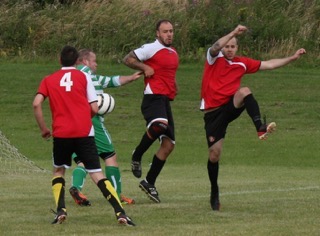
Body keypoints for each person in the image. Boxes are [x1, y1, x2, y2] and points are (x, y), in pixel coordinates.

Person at [200, 24, 306, 211]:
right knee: (214, 155)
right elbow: (215, 46)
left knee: (245, 91)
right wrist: (232, 32)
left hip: (230, 107)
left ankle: (260, 127)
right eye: (228, 46)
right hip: (212, 114)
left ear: (237, 48)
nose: (229, 49)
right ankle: (214, 191)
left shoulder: (242, 63)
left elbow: (270, 64)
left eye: (233, 46)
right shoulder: (213, 58)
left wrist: (292, 57)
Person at [33, 45, 135, 226]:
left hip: (61, 133)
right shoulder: (84, 77)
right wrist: (83, 120)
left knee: (59, 171)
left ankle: (61, 211)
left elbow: (36, 104)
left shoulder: (49, 80)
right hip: (84, 132)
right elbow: (95, 108)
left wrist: (43, 129)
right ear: (76, 61)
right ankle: (120, 213)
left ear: (59, 60)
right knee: (96, 173)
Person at [69, 49, 142, 206]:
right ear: (85, 61)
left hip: (72, 121)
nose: (96, 64)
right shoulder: (84, 71)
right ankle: (116, 194)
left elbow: (110, 81)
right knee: (110, 156)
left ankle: (76, 188)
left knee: (83, 159)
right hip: (92, 120)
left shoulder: (87, 77)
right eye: (94, 61)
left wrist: (131, 78)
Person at [122, 19, 179, 203]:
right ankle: (137, 155)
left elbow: (168, 74)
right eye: (165, 31)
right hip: (152, 97)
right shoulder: (150, 48)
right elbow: (128, 58)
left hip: (164, 100)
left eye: (171, 31)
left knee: (169, 145)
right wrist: (145, 66)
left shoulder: (173, 52)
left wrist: (174, 86)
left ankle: (149, 182)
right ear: (157, 33)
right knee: (160, 125)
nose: (169, 34)